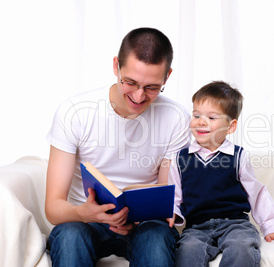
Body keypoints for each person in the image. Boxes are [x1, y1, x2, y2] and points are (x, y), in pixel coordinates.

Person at [45, 27, 190, 267]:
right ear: (116, 66)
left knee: (156, 238)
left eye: (152, 87)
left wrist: (148, 215)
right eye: (130, 82)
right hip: (83, 222)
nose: (139, 96)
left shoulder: (176, 118)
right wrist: (85, 213)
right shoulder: (75, 112)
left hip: (145, 225)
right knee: (70, 236)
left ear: (167, 76)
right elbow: (53, 207)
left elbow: (167, 196)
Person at [167, 81, 274, 267]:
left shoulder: (238, 156)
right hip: (196, 227)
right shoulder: (179, 158)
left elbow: (256, 193)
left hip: (235, 224)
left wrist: (270, 227)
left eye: (211, 117)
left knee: (242, 248)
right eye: (196, 115)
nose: (201, 121)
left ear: (231, 126)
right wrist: (171, 212)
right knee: (187, 251)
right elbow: (175, 196)